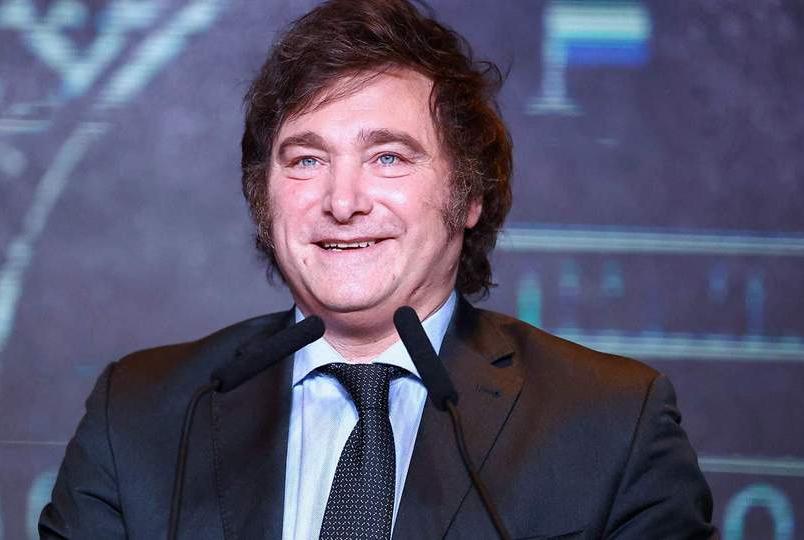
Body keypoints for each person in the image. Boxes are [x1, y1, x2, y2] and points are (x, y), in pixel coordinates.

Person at [40, 0, 717, 538]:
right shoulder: (142, 414)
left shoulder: (610, 424)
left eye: (388, 157)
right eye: (307, 159)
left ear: (470, 195)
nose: (343, 201)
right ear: (262, 197)